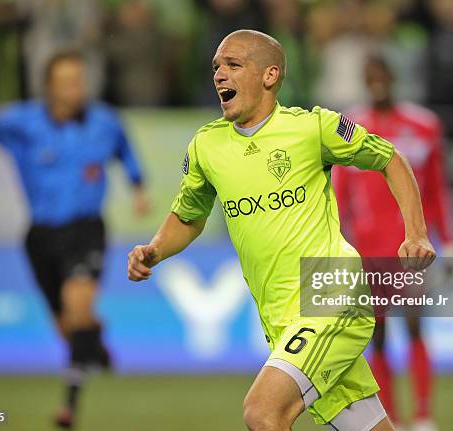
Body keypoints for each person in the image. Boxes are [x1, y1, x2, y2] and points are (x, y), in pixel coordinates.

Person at [128, 30, 435, 431]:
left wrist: (416, 233)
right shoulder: (206, 146)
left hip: (330, 293)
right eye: (216, 67)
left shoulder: (313, 128)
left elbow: (390, 158)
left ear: (269, 75)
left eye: (233, 65)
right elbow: (189, 216)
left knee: (263, 411)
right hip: (280, 319)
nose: (220, 75)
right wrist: (155, 249)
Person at [0, 50, 149, 429]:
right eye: (67, 81)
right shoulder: (24, 123)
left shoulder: (102, 121)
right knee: (68, 328)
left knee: (77, 303)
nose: (76, 88)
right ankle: (92, 340)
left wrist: (137, 185)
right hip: (40, 238)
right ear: (49, 87)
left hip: (86, 230)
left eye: (80, 80)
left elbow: (123, 147)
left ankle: (69, 406)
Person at [333, 55, 453, 431]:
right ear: (364, 81)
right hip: (368, 250)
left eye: (382, 75)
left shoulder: (422, 125)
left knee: (416, 326)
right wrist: (337, 244)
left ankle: (423, 415)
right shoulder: (348, 127)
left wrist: (449, 241)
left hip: (411, 247)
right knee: (380, 336)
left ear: (392, 78)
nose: (378, 83)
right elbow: (339, 194)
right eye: (370, 77)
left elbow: (437, 188)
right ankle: (392, 418)